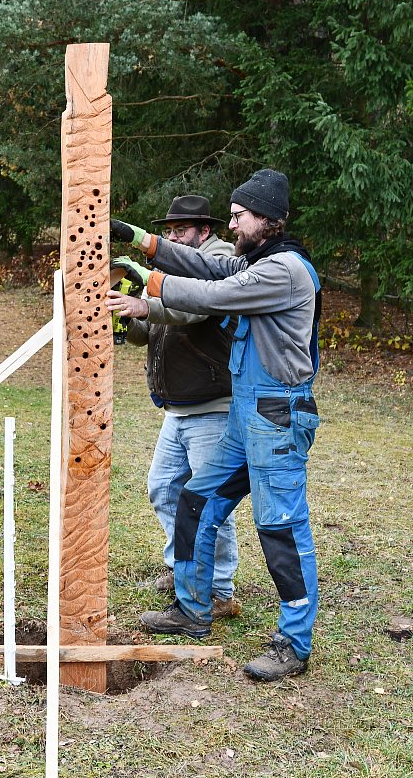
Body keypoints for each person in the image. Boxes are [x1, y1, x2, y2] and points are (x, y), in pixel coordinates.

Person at [107, 169, 321, 681]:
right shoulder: (253, 259)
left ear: (266, 218)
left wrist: (145, 280)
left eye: (238, 215)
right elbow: (204, 263)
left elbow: (212, 295)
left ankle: (294, 643)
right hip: (246, 416)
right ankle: (193, 609)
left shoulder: (283, 271)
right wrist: (141, 240)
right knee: (195, 500)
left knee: (281, 529)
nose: (232, 222)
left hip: (276, 416)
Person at [115, 195, 241, 620]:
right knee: (165, 489)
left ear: (204, 231)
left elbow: (194, 307)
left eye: (180, 231)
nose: (171, 238)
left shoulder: (220, 259)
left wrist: (144, 303)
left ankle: (220, 589)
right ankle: (185, 568)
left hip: (214, 404)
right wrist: (126, 319)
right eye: (167, 232)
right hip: (179, 406)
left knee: (208, 501)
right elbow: (151, 328)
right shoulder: (173, 267)